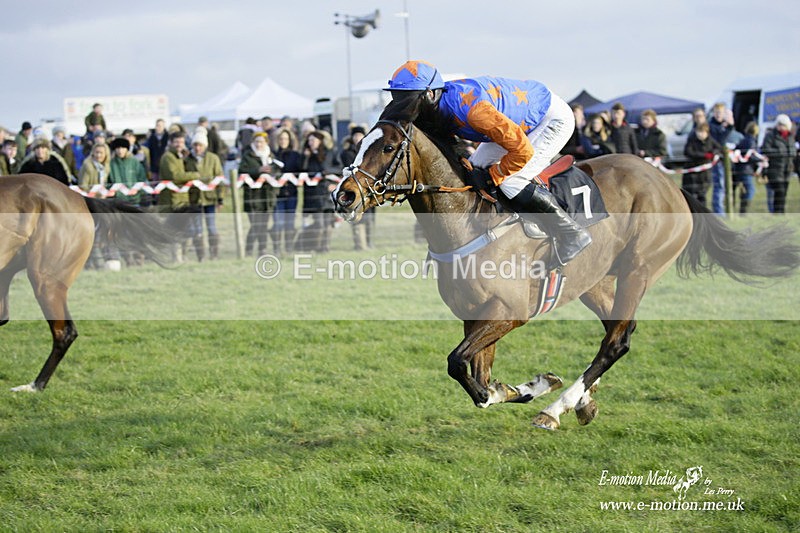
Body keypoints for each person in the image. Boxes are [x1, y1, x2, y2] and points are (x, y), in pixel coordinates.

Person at [384, 59, 591, 264]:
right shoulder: (436, 106)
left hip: (549, 118)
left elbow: (522, 150)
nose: (403, 107)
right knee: (475, 168)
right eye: (397, 98)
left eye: (406, 99)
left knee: (511, 181)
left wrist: (494, 175)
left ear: (430, 94)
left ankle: (572, 233)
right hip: (516, 121)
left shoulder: (475, 112)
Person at [185, 129, 224, 261]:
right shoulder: (188, 160)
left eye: (200, 145)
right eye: (195, 145)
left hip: (210, 198)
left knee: (212, 227)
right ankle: (200, 255)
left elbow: (220, 178)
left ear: (205, 146)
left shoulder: (213, 158)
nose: (197, 148)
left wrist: (220, 198)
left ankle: (214, 254)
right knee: (198, 230)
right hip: (195, 199)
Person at [238, 132, 279, 256]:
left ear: (266, 142)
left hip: (267, 196)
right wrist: (258, 171)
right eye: (256, 141)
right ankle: (248, 249)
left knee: (264, 225)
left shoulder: (271, 155)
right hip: (252, 197)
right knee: (255, 225)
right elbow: (242, 171)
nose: (259, 144)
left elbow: (278, 171)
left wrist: (272, 172)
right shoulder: (247, 156)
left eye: (261, 141)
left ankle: (263, 249)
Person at [300, 131, 339, 253]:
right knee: (319, 224)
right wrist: (306, 156)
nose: (311, 143)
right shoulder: (307, 155)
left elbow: (340, 168)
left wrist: (331, 177)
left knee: (328, 224)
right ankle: (316, 246)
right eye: (309, 140)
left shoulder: (330, 153)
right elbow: (301, 169)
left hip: (327, 194)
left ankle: (325, 247)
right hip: (313, 195)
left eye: (313, 140)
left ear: (320, 141)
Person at [339, 125, 375, 250]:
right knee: (355, 215)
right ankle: (359, 244)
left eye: (360, 135)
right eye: (355, 136)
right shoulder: (346, 153)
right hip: (354, 188)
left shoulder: (368, 151)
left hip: (367, 188)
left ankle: (369, 241)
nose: (357, 138)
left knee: (370, 218)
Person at [272, 127, 303, 254]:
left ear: (290, 140)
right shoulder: (273, 155)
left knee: (290, 222)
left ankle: (288, 248)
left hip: (291, 193)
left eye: (285, 139)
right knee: (278, 222)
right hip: (277, 195)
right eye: (281, 139)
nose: (283, 141)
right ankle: (277, 248)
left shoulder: (296, 155)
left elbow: (301, 170)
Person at [760, 114, 795, 214]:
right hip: (775, 168)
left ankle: (781, 212)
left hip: (787, 168)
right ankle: (776, 212)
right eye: (779, 124)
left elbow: (793, 151)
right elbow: (765, 149)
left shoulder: (790, 136)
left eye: (783, 124)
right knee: (779, 191)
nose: (780, 126)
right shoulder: (771, 135)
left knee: (784, 191)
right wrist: (780, 152)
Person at [682, 122, 721, 208]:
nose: (700, 134)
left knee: (702, 195)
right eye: (698, 132)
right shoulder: (692, 140)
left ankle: (703, 214)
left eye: (703, 132)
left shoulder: (710, 141)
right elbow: (688, 152)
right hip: (692, 173)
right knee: (690, 196)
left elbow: (718, 148)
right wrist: (704, 155)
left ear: (707, 133)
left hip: (704, 174)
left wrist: (713, 153)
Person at [708, 102, 734, 215]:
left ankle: (721, 210)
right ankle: (719, 211)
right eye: (717, 112)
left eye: (721, 113)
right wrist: (730, 127)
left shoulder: (723, 126)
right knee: (719, 185)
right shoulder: (712, 126)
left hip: (725, 159)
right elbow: (720, 141)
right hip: (716, 159)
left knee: (724, 185)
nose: (719, 115)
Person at [732, 121, 759, 215]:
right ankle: (743, 211)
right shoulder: (751, 141)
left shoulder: (743, 140)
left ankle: (742, 210)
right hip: (746, 170)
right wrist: (761, 159)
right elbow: (751, 155)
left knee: (746, 190)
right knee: (750, 190)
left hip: (740, 169)